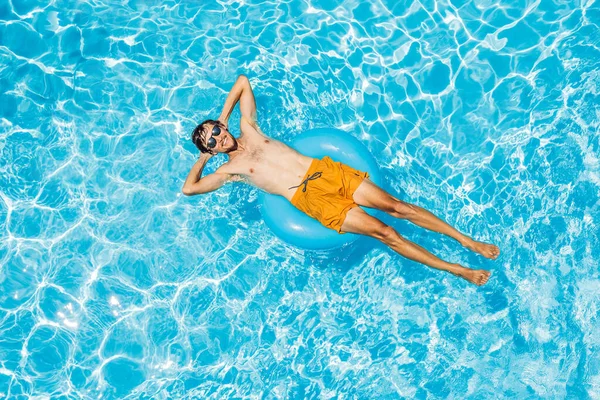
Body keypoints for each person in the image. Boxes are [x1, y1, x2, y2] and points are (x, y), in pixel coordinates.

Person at [182, 75, 500, 286]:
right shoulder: (228, 171)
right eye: (210, 142)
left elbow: (242, 82)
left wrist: (222, 117)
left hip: (327, 173)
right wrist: (203, 157)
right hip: (312, 200)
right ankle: (459, 270)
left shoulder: (248, 128)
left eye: (216, 132)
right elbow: (189, 188)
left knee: (397, 207)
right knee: (385, 232)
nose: (218, 139)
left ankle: (466, 241)